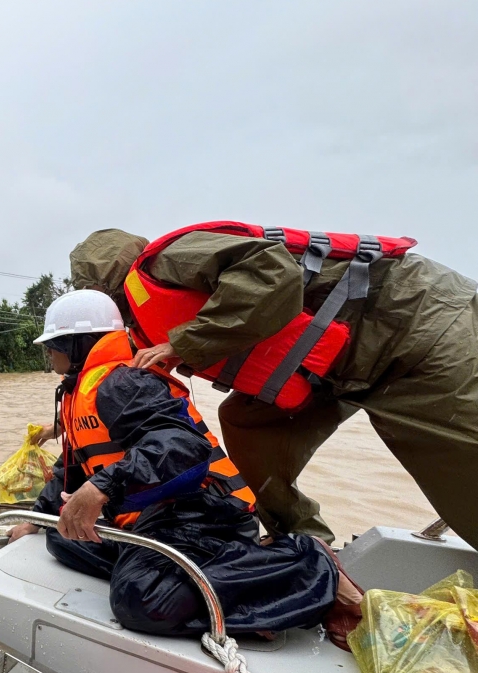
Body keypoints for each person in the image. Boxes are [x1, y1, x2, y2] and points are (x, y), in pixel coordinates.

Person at [67, 222, 478, 550]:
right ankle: (306, 544)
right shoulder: (141, 311)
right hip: (336, 367)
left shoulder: (166, 260)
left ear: (104, 287)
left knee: (460, 471)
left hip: (414, 324)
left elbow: (272, 273)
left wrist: (183, 342)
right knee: (246, 421)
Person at [9, 289, 362, 644]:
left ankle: (309, 562)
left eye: (53, 344)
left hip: (205, 516)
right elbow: (72, 466)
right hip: (153, 519)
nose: (49, 353)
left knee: (140, 600)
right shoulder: (79, 393)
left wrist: (102, 487)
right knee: (61, 536)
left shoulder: (122, 383)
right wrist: (33, 519)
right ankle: (182, 576)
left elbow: (183, 447)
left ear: (76, 345)